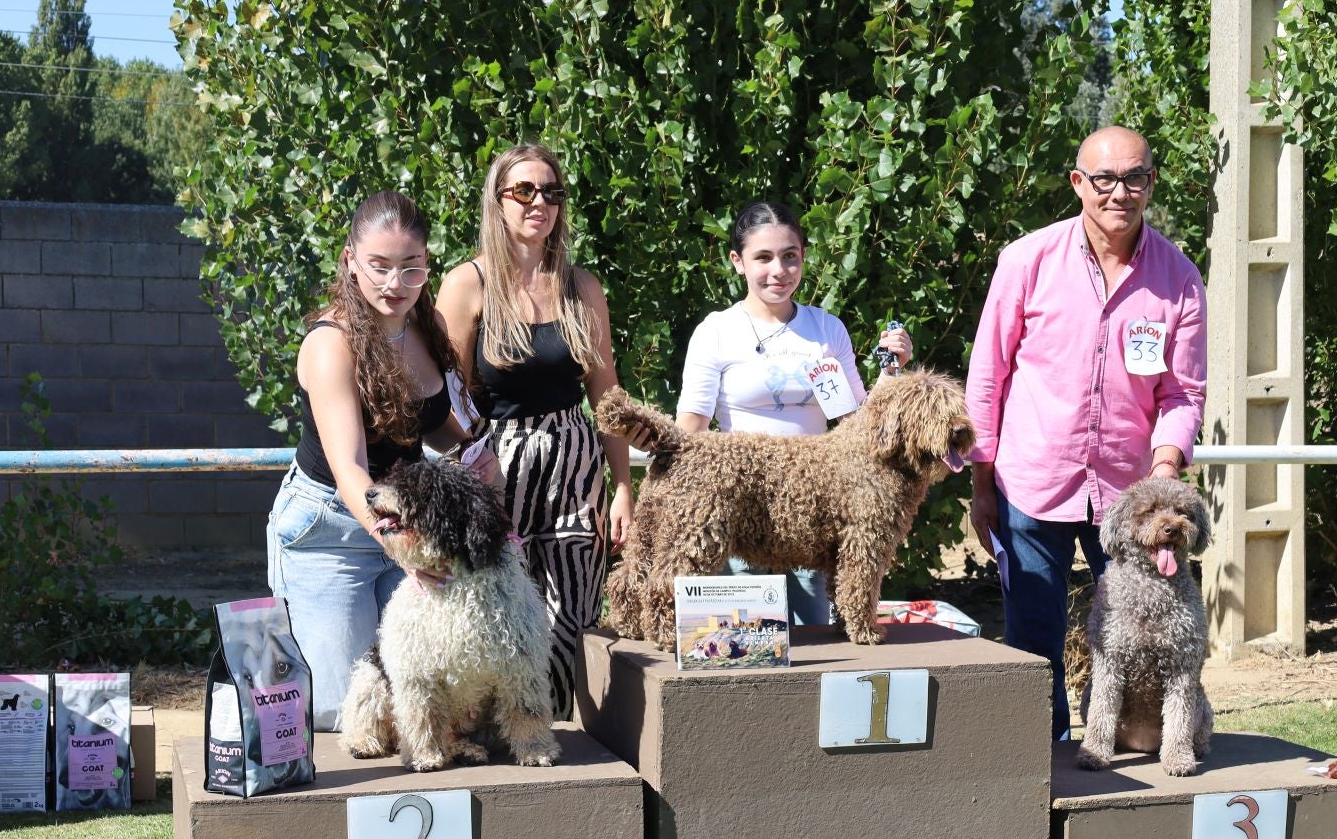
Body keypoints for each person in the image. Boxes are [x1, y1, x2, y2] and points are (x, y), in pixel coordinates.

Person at [965, 125, 1206, 740]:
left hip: (1131, 497)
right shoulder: (1027, 260)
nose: (1119, 193)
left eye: (1135, 178)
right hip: (1032, 481)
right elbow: (988, 377)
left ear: (1151, 184)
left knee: (1138, 636)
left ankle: (1121, 747)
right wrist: (982, 480)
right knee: (1032, 638)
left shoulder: (1179, 279)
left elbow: (1183, 392)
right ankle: (1040, 757)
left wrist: (1165, 470)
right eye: (1104, 179)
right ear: (1079, 183)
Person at [435, 143, 633, 721]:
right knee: (500, 611)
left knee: (573, 611)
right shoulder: (467, 284)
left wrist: (622, 488)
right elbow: (449, 395)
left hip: (574, 463)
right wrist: (468, 480)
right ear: (498, 202)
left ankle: (559, 735)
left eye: (551, 192)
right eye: (523, 191)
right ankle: (501, 735)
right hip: (497, 467)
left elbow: (607, 395)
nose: (538, 202)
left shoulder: (581, 287)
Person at [267, 190, 478, 731]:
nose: (394, 284)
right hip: (331, 532)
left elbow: (434, 421)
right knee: (346, 713)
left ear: (427, 266)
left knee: (428, 690)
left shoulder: (422, 325)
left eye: (411, 269)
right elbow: (350, 472)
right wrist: (406, 552)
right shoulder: (330, 344)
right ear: (350, 261)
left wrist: (476, 456)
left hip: (405, 523)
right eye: (379, 266)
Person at [671, 199, 913, 624]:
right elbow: (690, 429)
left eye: (789, 257)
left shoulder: (826, 329)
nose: (778, 271)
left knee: (813, 654)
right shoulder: (716, 332)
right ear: (737, 262)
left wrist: (893, 373)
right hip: (740, 513)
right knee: (738, 648)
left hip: (811, 519)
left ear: (803, 257)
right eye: (762, 258)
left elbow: (858, 423)